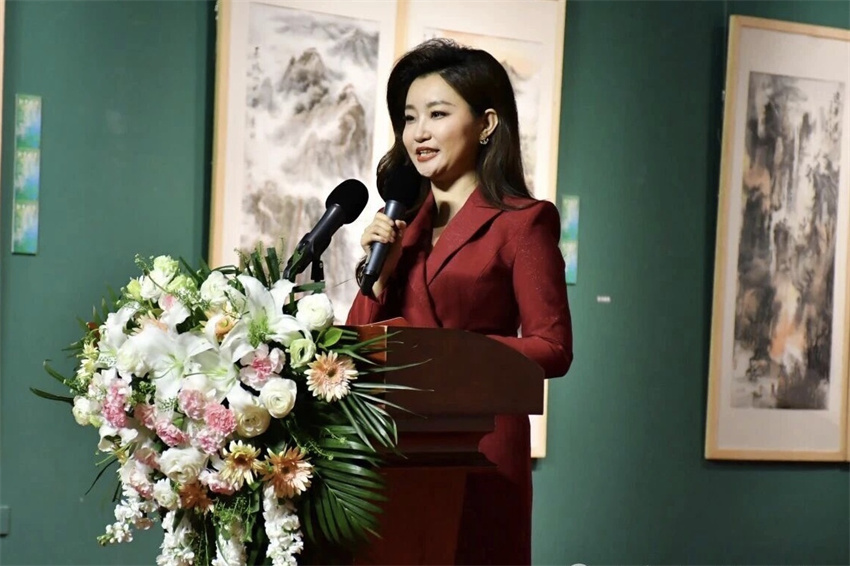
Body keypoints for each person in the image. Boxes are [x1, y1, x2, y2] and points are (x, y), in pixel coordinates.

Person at [346, 38, 573, 565]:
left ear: (486, 123)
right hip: (396, 441)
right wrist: (378, 277)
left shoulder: (523, 222)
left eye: (438, 114)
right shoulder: (402, 225)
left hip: (483, 442)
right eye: (409, 118)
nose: (418, 133)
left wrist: (453, 355)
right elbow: (355, 349)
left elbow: (554, 348)